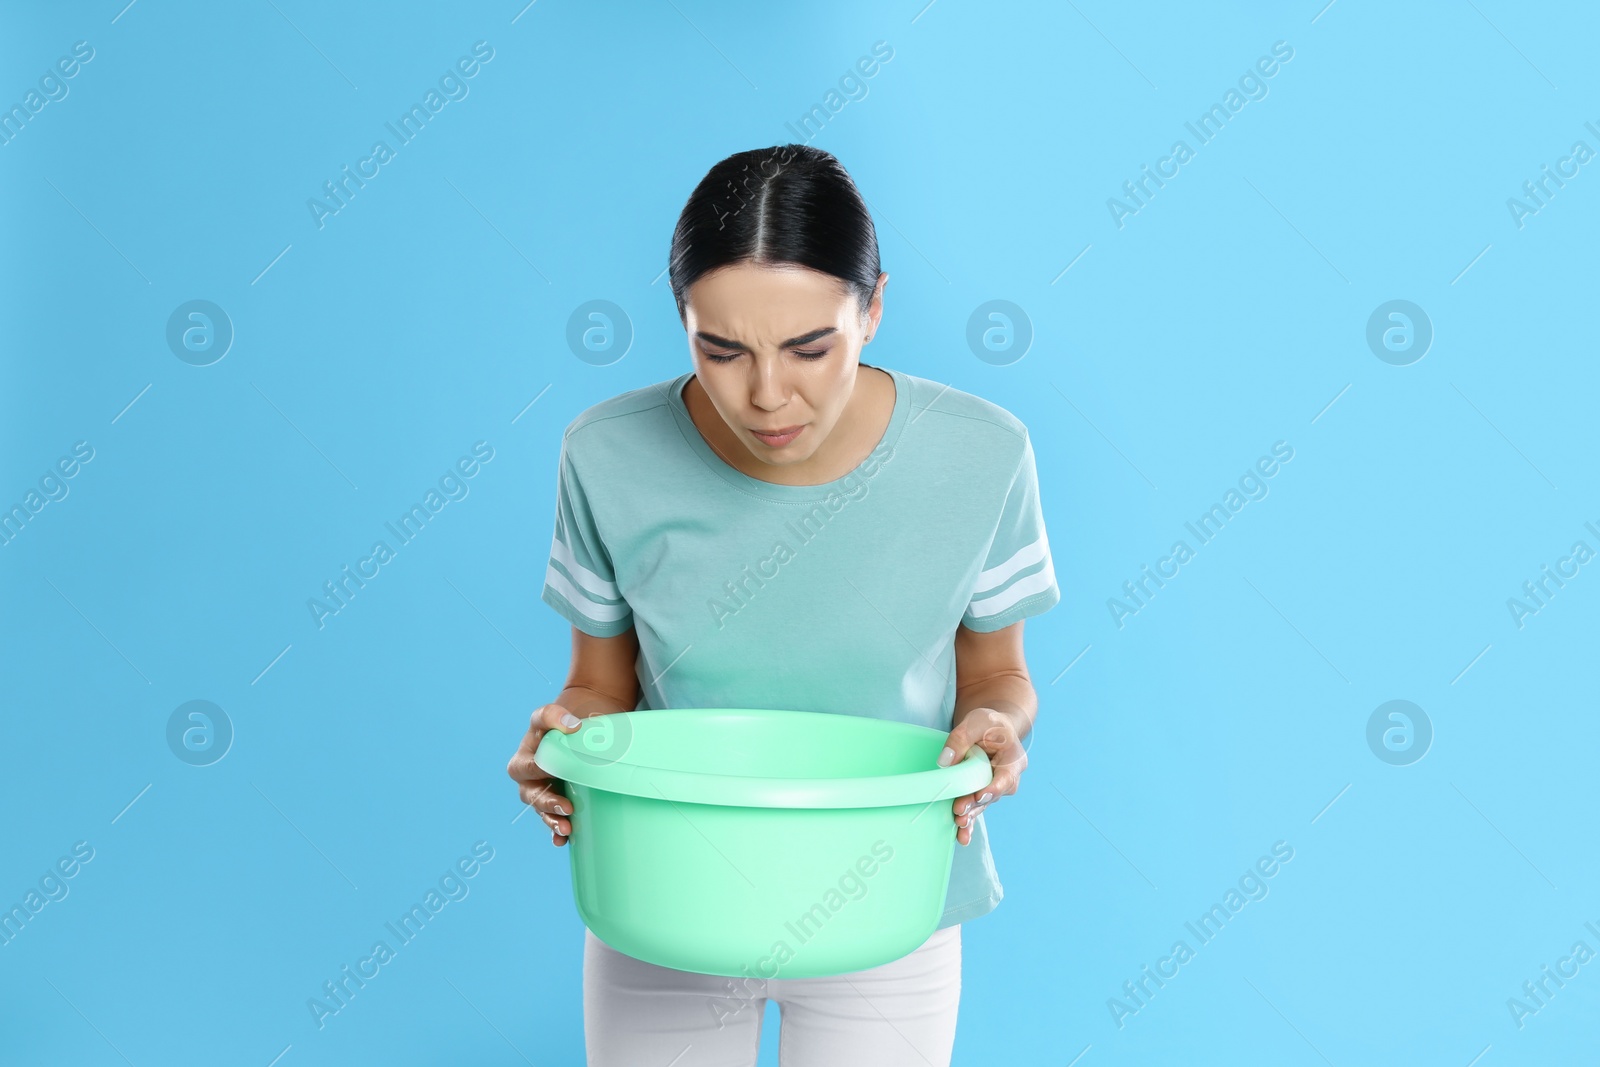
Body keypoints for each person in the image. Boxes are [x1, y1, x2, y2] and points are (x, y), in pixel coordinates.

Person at [505, 143, 1060, 1067]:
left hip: (888, 899)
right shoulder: (605, 455)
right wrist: (567, 737)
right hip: (668, 893)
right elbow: (599, 686)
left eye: (810, 347)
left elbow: (998, 671)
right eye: (720, 350)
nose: (766, 396)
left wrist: (998, 721)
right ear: (680, 322)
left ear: (874, 306)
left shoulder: (983, 454)